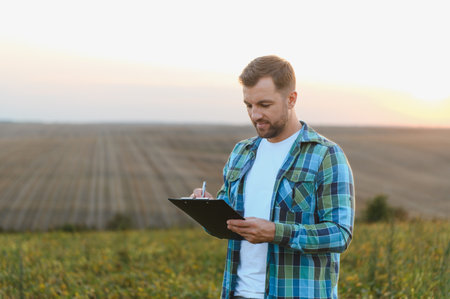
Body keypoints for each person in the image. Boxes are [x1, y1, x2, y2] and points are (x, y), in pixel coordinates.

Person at [192, 55, 355, 299]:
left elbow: (340, 234)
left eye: (264, 105)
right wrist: (207, 208)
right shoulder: (241, 152)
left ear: (291, 99)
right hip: (237, 292)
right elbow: (228, 227)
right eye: (249, 105)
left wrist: (276, 232)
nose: (255, 114)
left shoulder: (326, 155)